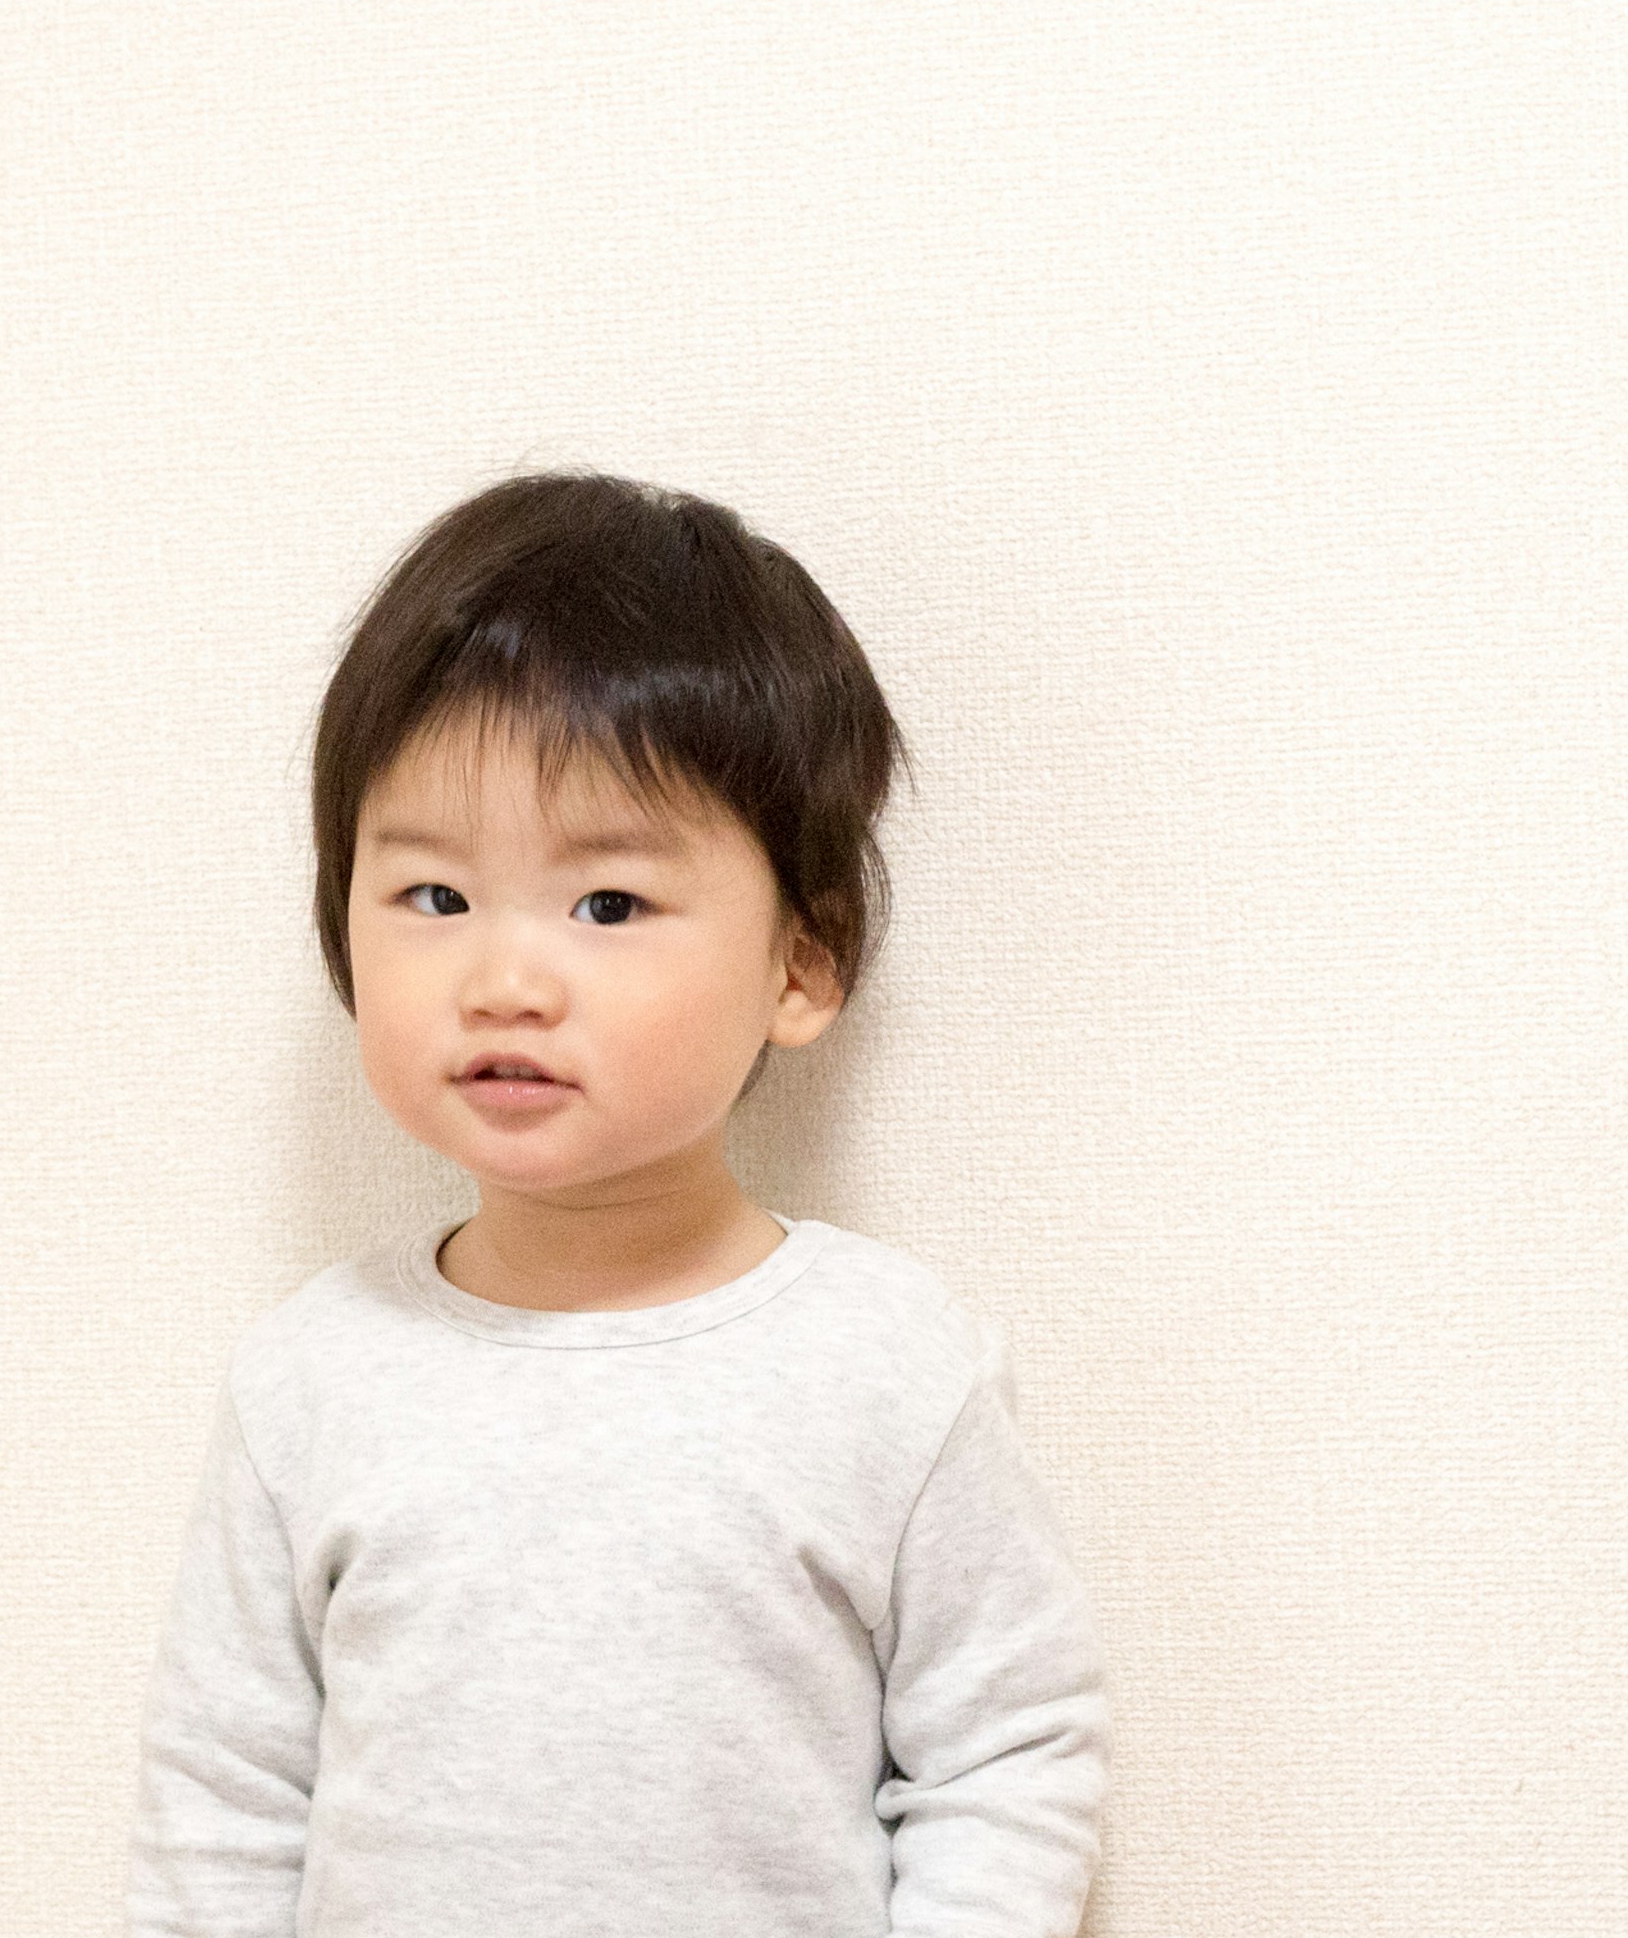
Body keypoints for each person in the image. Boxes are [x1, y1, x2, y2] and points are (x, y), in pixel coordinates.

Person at [124, 472, 1107, 1937]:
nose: (504, 978)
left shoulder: (892, 1365)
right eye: (434, 898)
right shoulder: (307, 1380)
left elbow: (1008, 1758)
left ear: (802, 962)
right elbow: (224, 1801)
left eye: (607, 907)